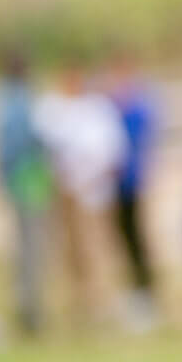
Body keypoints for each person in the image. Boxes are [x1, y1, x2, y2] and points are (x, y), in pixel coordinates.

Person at [34, 63, 127, 327]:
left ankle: (102, 303)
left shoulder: (97, 111)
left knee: (96, 250)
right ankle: (78, 304)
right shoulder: (55, 110)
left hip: (93, 193)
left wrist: (90, 180)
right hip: (65, 192)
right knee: (69, 251)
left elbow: (111, 153)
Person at [0, 54, 52, 336]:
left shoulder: (4, 102)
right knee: (30, 248)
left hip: (23, 181)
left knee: (25, 248)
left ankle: (28, 307)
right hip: (28, 182)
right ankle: (30, 310)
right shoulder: (23, 102)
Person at [108, 57, 160, 330]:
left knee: (137, 238)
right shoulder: (113, 104)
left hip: (133, 183)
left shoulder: (139, 106)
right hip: (114, 186)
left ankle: (145, 293)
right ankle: (133, 291)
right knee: (123, 239)